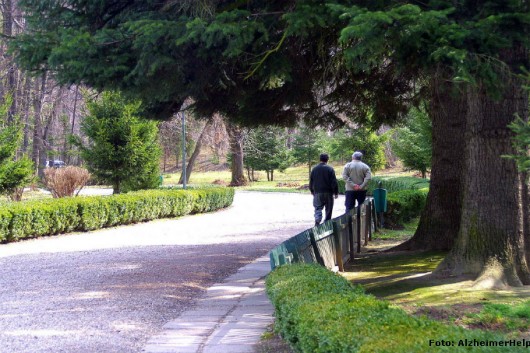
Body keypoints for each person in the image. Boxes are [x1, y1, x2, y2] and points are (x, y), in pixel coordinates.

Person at [309, 153, 339, 227]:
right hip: (328, 192)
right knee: (329, 209)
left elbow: (311, 181)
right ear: (327, 159)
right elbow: (334, 182)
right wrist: (336, 192)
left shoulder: (314, 169)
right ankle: (327, 223)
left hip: (318, 192)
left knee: (318, 208)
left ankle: (317, 220)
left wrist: (312, 191)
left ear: (320, 159)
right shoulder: (330, 169)